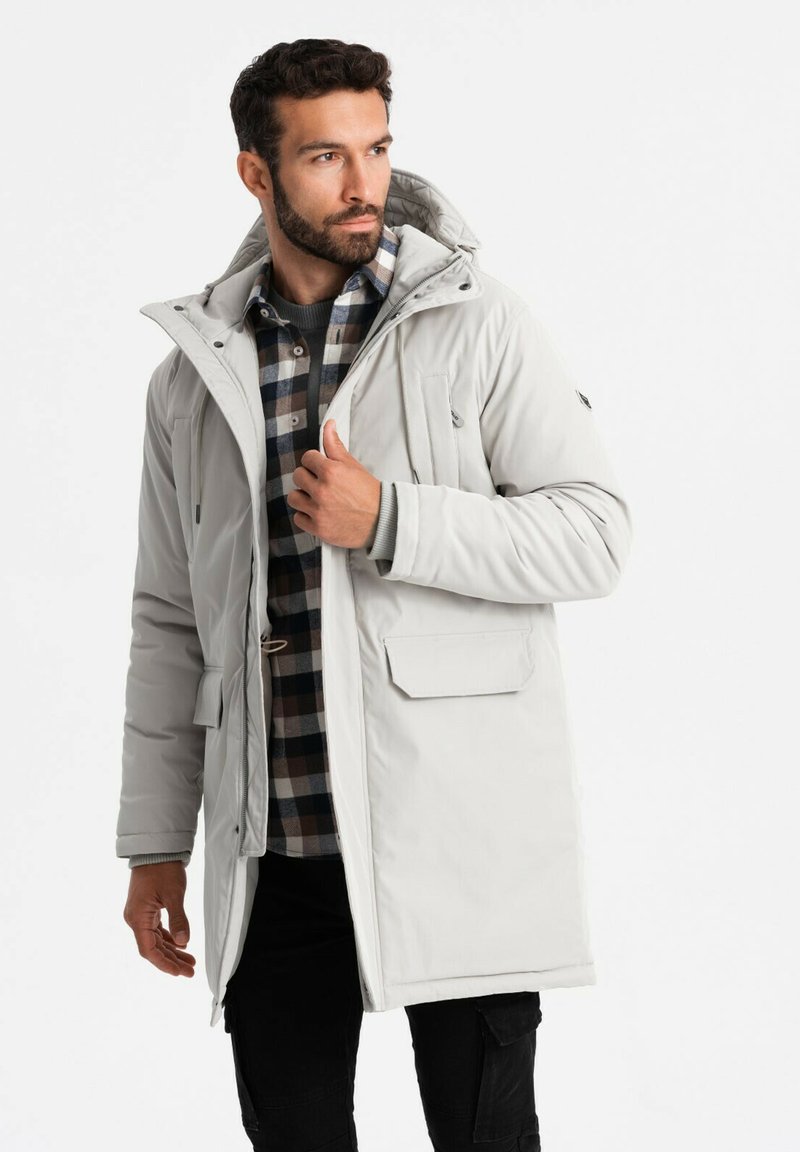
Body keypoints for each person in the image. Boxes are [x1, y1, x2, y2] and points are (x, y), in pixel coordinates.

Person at [117, 37, 633, 1152]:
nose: (364, 184)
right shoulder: (192, 377)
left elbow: (594, 534)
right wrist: (155, 841)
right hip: (274, 847)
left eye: (378, 148)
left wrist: (392, 520)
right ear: (255, 173)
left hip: (453, 833)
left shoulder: (479, 322)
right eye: (324, 157)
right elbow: (168, 620)